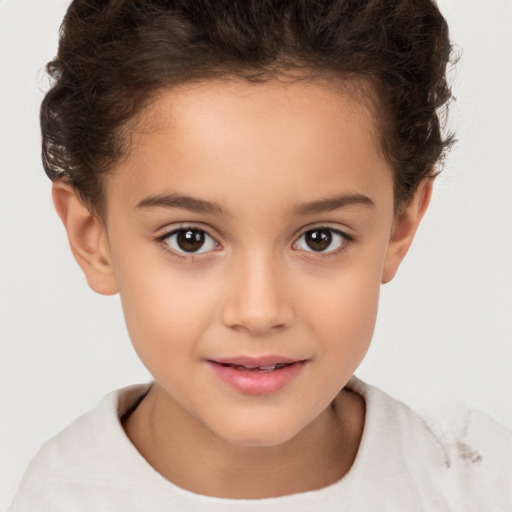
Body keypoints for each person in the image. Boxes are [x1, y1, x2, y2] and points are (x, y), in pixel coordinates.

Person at [9, 0, 512, 510]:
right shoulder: (53, 496)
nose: (259, 311)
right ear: (92, 236)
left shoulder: (479, 487)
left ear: (400, 227)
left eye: (320, 238)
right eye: (190, 239)